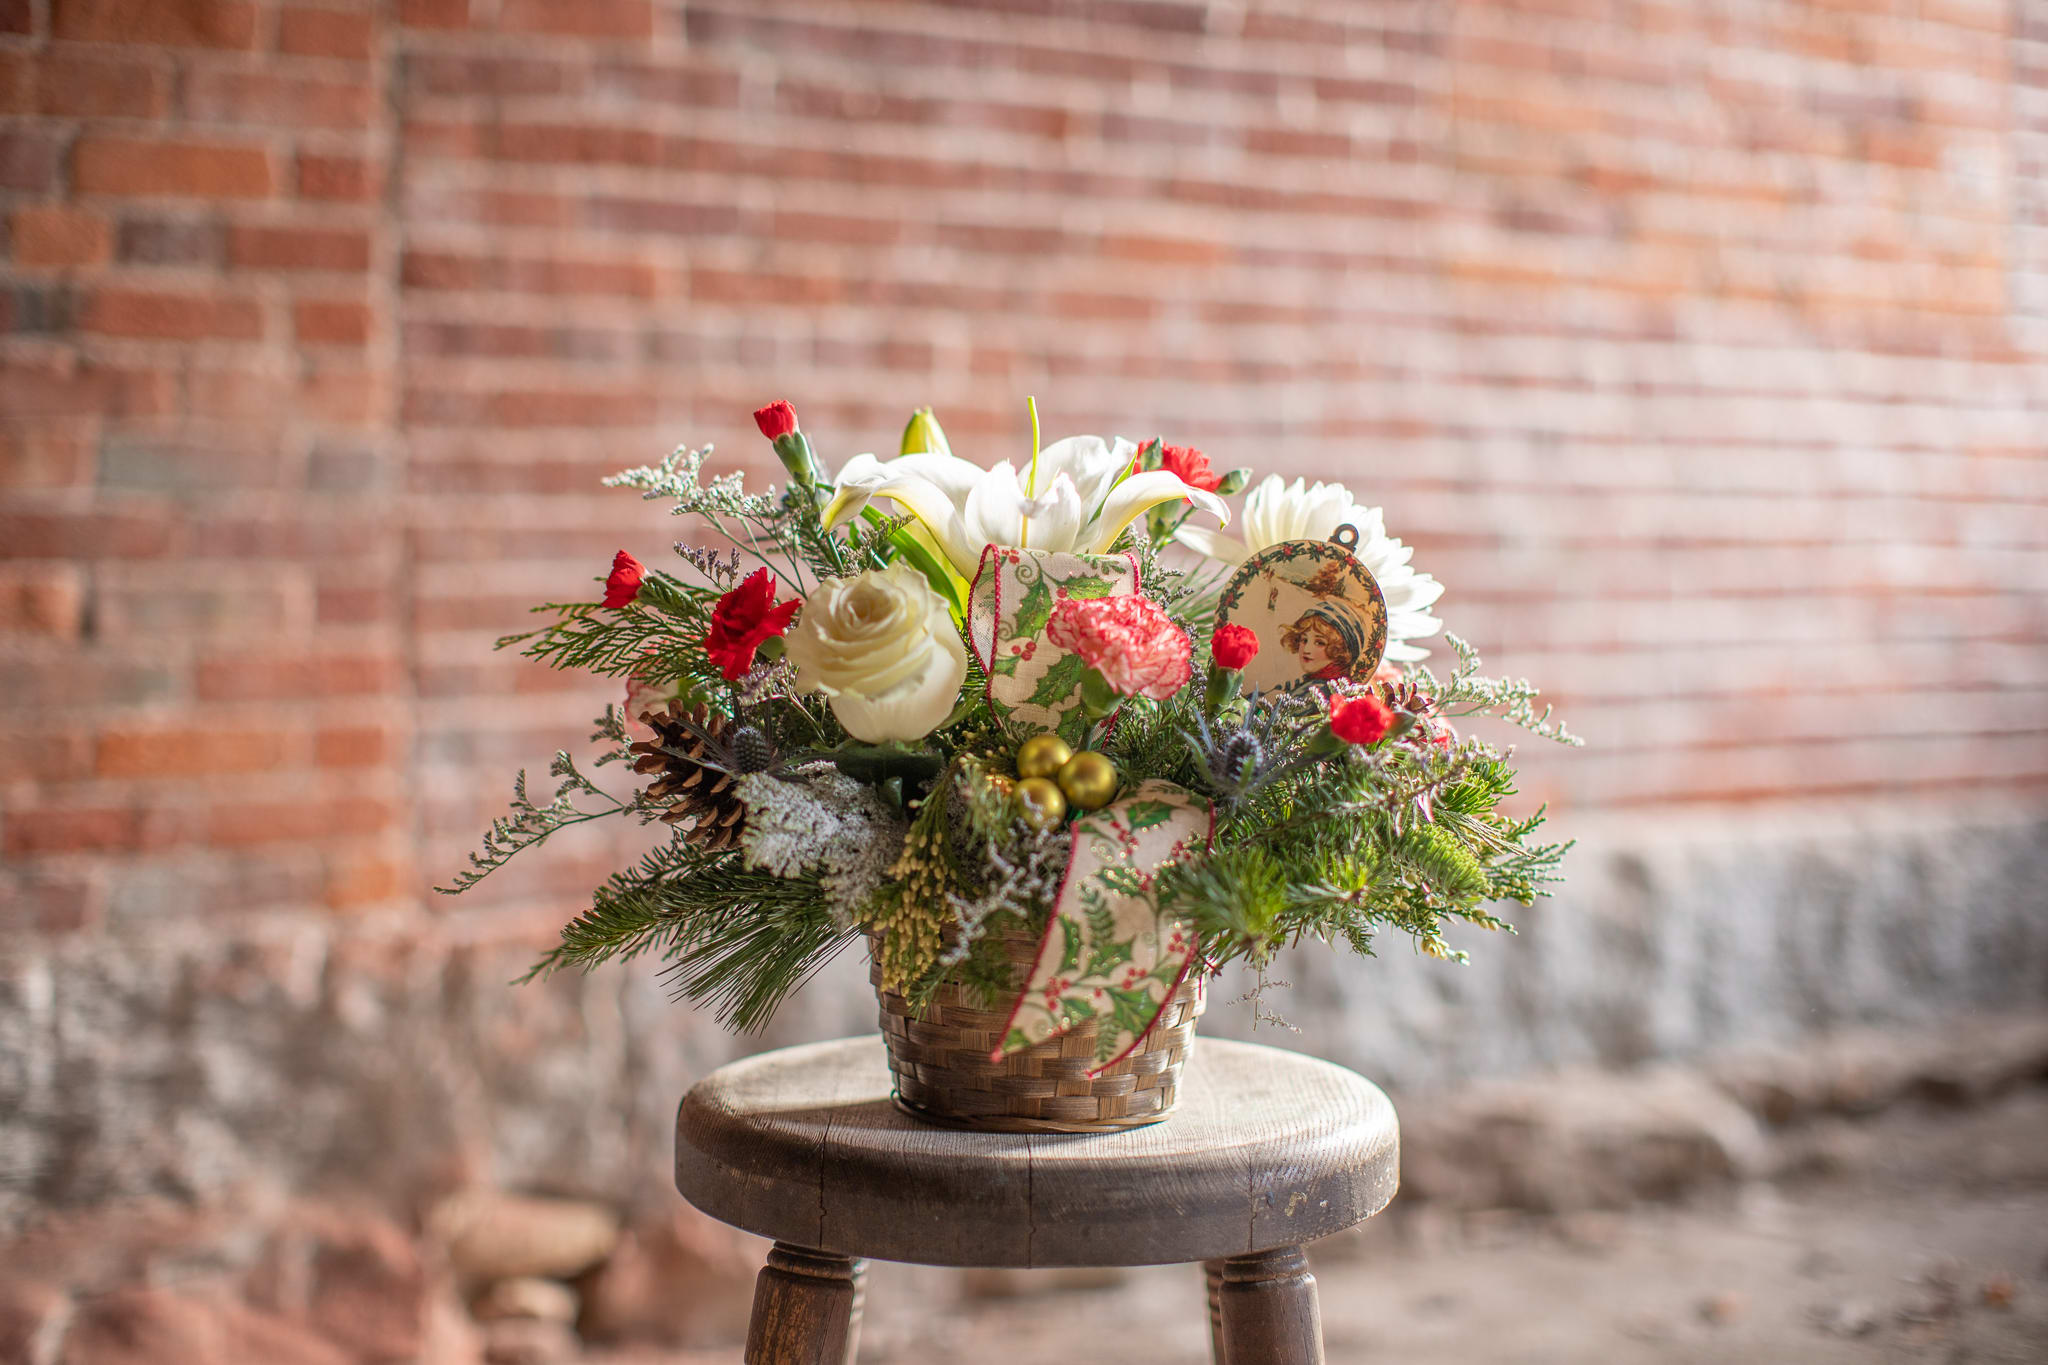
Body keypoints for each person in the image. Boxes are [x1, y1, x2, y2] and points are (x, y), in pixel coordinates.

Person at [1280, 599, 1368, 684]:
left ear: (1339, 651)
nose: (1306, 649)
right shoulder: (1310, 683)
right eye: (1304, 640)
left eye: (1320, 643)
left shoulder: (1320, 691)